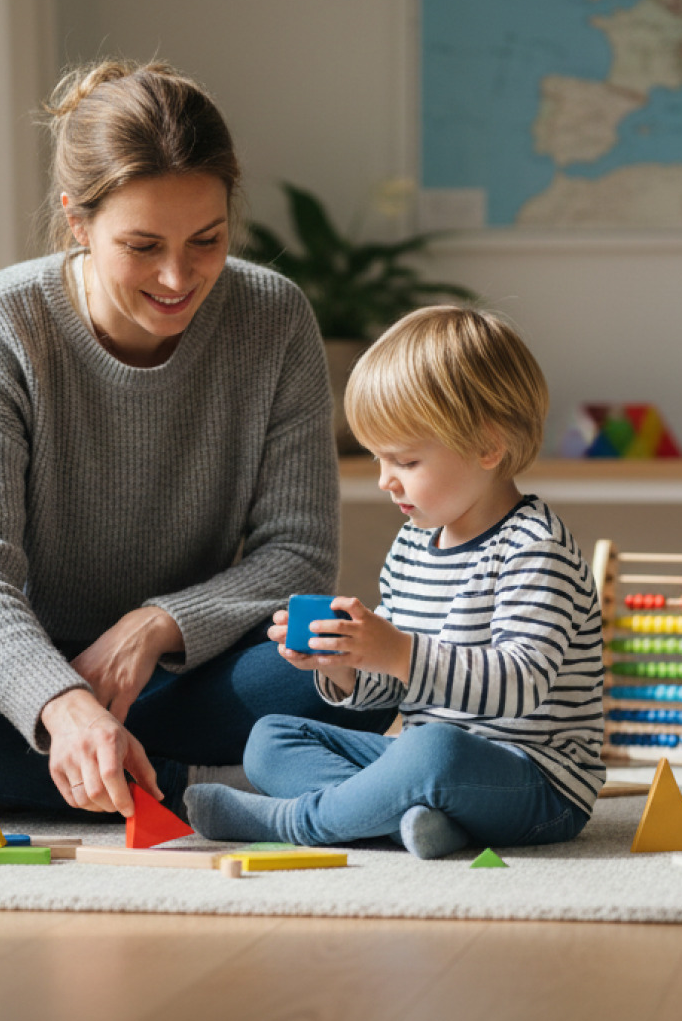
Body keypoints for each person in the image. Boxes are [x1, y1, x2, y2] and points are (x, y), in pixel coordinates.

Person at [0, 60, 388, 823]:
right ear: (77, 221)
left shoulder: (274, 317)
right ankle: (175, 782)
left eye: (207, 239)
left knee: (349, 670)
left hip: (165, 674)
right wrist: (59, 702)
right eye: (141, 244)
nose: (177, 276)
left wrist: (153, 624)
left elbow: (296, 554)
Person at [184, 305, 606, 859]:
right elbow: (394, 686)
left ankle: (297, 823)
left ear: (487, 446)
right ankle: (413, 821)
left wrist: (401, 651)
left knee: (431, 752)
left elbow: (520, 683)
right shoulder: (413, 544)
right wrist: (342, 664)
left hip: (536, 783)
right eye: (378, 458)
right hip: (433, 768)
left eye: (404, 460)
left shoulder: (534, 549)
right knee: (272, 738)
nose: (385, 480)